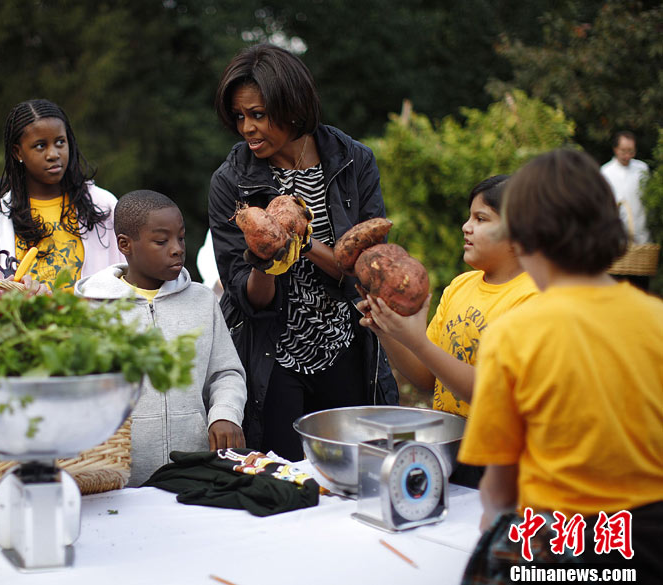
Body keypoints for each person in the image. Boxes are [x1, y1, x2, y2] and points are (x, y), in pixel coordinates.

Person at [458, 149, 663, 582]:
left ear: (523, 238)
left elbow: (499, 491)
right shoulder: (657, 320)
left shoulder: (514, 334)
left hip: (558, 548)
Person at [208, 43, 397, 460]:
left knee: (352, 471)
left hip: (345, 345)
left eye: (258, 114)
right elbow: (249, 301)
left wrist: (303, 242)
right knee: (284, 476)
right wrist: (266, 258)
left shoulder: (352, 161)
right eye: (239, 117)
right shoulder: (230, 182)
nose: (247, 128)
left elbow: (368, 272)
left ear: (292, 107)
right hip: (273, 358)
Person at [357, 176, 538, 487]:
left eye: (481, 219)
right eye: (469, 217)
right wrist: (386, 330)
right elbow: (427, 379)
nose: (466, 227)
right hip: (452, 448)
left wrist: (418, 342)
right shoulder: (460, 286)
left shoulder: (534, 299)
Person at [75, 190, 247, 485]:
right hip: (120, 480)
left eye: (181, 238)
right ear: (125, 245)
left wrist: (225, 414)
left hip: (195, 472)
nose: (177, 249)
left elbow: (226, 373)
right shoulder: (92, 309)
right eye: (161, 241)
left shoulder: (202, 301)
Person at [0, 99, 124, 289]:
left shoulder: (103, 205)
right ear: (17, 152)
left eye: (60, 142)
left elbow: (127, 278)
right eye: (40, 146)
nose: (53, 154)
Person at [600, 131, 651, 245]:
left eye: (631, 151)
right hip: (616, 235)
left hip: (641, 232)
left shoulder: (642, 169)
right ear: (615, 149)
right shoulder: (606, 172)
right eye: (623, 151)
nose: (627, 156)